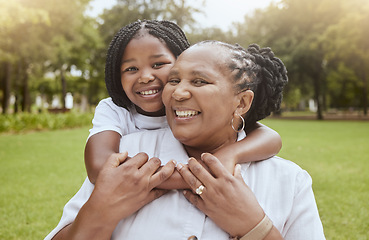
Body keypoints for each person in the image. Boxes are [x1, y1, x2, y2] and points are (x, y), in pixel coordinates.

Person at [45, 41, 325, 240]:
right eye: (174, 80)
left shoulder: (289, 181)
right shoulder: (124, 158)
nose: (178, 94)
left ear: (241, 102)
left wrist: (254, 227)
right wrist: (99, 214)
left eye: (199, 82)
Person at [84, 19, 282, 188]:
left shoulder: (194, 109)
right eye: (131, 68)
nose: (145, 77)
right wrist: (189, 178)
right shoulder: (115, 110)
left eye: (158, 64)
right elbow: (99, 167)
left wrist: (231, 154)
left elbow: (269, 137)